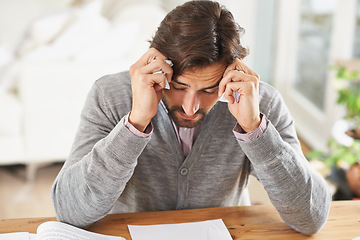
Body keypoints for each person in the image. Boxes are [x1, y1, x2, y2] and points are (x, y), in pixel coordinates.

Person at [51, 0, 331, 235]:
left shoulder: (258, 102)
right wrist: (135, 122)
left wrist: (255, 128)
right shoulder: (110, 95)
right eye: (179, 87)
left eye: (210, 89)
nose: (190, 107)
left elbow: (310, 218)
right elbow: (70, 210)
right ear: (157, 63)